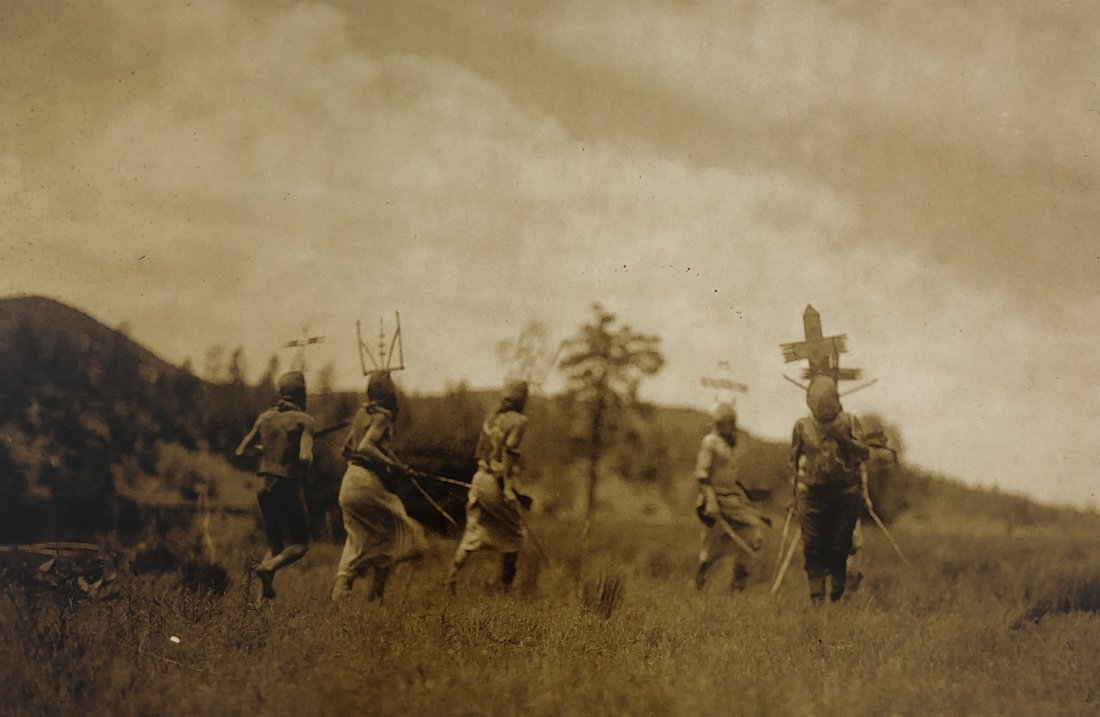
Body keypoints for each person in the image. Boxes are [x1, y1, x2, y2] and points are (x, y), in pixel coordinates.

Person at [331, 370, 428, 602]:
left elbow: (348, 449)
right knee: (400, 532)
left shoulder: (360, 415)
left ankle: (343, 587)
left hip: (349, 483)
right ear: (389, 393)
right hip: (366, 482)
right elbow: (365, 447)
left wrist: (398, 464)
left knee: (358, 537)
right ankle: (374, 596)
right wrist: (392, 466)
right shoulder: (382, 416)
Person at [235, 371, 316, 603]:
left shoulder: (265, 418)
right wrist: (304, 454)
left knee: (275, 544)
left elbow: (240, 452)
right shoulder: (306, 421)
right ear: (302, 395)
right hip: (287, 483)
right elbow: (305, 458)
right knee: (300, 544)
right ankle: (268, 566)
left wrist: (267, 449)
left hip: (263, 485)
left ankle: (260, 602)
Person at [790, 375, 870, 604]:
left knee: (840, 545)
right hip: (812, 494)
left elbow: (864, 453)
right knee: (812, 547)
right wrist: (793, 494)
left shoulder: (849, 421)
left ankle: (838, 580)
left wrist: (842, 439)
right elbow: (793, 461)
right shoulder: (801, 426)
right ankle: (816, 597)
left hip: (844, 494)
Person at [445, 379, 530, 594]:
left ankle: (450, 578)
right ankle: (505, 588)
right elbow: (509, 453)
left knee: (475, 528)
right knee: (515, 534)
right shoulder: (519, 421)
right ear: (522, 399)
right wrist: (510, 489)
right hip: (496, 482)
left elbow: (480, 453)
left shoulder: (491, 418)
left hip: (479, 479)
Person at [693, 402, 767, 592]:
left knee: (752, 533)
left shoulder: (731, 444)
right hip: (715, 499)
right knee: (710, 544)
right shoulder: (710, 442)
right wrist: (710, 501)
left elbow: (732, 481)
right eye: (723, 422)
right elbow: (702, 474)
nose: (727, 426)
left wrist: (752, 508)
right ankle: (698, 580)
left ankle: (738, 581)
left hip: (732, 498)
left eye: (730, 422)